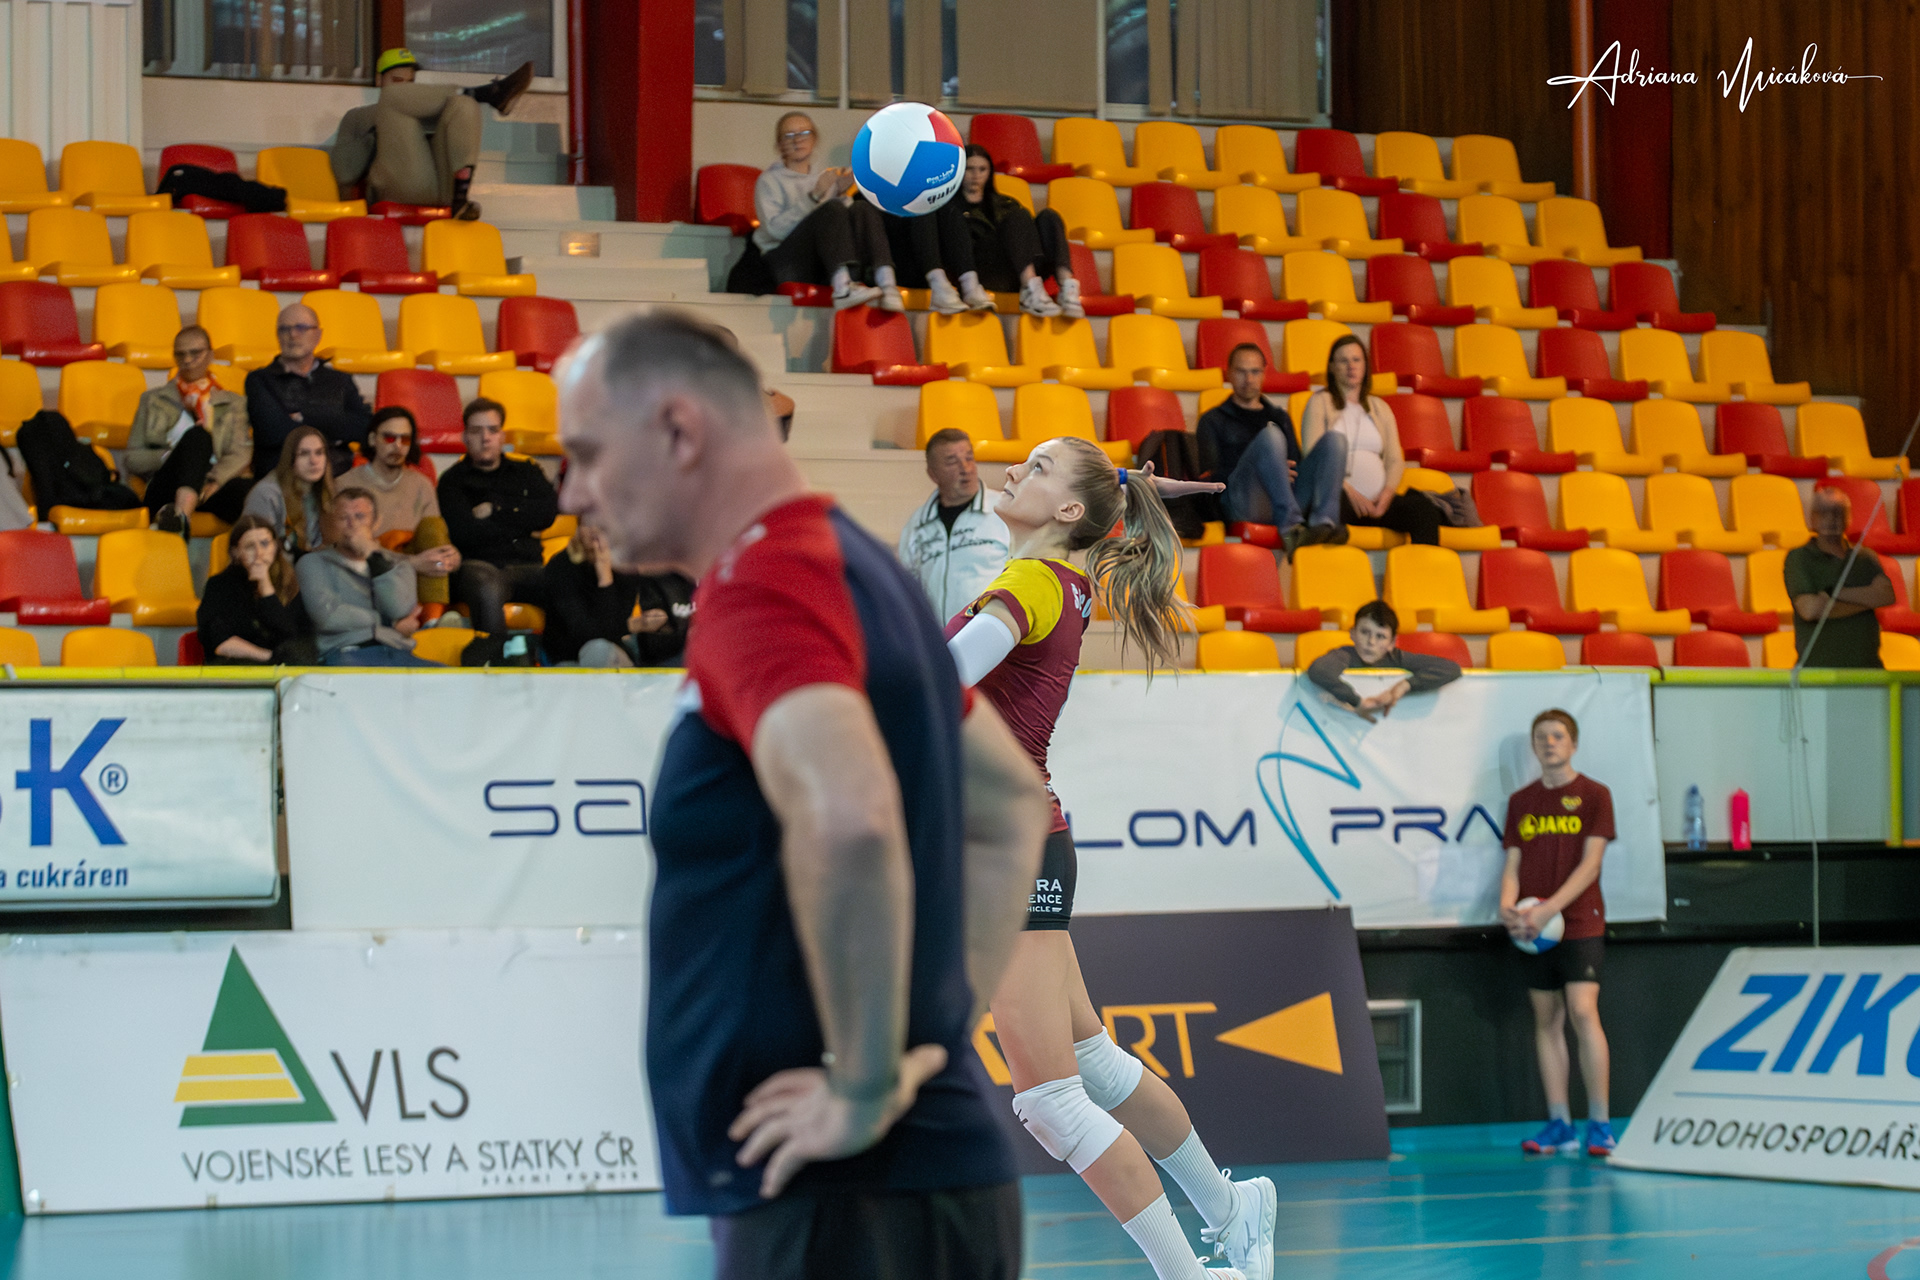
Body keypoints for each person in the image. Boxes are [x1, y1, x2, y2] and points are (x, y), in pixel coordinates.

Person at [557, 310, 1053, 1280]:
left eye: (585, 453)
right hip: (919, 1180)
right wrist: (928, 1039)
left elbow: (850, 817)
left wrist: (865, 1084)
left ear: (678, 430)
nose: (572, 489)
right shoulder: (857, 566)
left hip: (840, 1203)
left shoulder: (765, 582)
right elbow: (1006, 805)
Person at [944, 440, 1269, 1280]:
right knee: (1089, 1063)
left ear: (1066, 511)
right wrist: (1123, 483)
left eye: (1037, 467)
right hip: (1023, 843)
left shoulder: (1031, 583)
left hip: (1011, 852)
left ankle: (1190, 1275)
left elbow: (935, 682)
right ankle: (1233, 1210)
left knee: (1053, 1104)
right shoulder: (1062, 581)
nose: (1012, 471)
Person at [1500, 709, 1616, 1159]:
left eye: (1558, 736)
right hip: (1533, 930)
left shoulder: (1594, 795)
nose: (1549, 743)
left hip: (1580, 921)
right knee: (1546, 1020)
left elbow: (1592, 864)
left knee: (1583, 1013)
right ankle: (1559, 1124)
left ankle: (1600, 1125)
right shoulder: (1521, 801)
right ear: (1533, 746)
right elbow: (1512, 863)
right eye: (1541, 737)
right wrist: (1508, 907)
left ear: (1573, 744)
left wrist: (1550, 908)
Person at [330, 47, 534, 220]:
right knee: (392, 97)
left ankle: (460, 198)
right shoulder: (357, 117)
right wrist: (376, 136)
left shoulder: (427, 106)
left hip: (439, 188)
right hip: (393, 188)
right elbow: (343, 172)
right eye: (397, 80)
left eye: (410, 83)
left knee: (463, 104)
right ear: (378, 80)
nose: (405, 88)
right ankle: (487, 94)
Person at [884, 146, 1081, 318]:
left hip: (1015, 266)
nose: (976, 175)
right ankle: (1030, 288)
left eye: (982, 169)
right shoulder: (947, 208)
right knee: (1018, 216)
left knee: (1047, 216)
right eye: (969, 169)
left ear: (990, 172)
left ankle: (1067, 288)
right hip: (978, 268)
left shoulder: (1006, 204)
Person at [1198, 342, 1348, 556]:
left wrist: (1277, 471)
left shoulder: (1280, 417)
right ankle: (1291, 527)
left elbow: (1296, 465)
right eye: (1241, 372)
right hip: (1243, 500)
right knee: (1271, 436)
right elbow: (1211, 478)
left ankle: (1325, 523)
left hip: (1284, 496)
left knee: (1335, 441)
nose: (1248, 379)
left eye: (1254, 372)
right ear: (1229, 373)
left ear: (1264, 374)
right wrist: (1267, 468)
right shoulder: (1212, 420)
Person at [1299, 335, 1442, 546]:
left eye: (1356, 360)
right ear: (1332, 367)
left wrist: (1386, 496)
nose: (1351, 366)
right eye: (1343, 361)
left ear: (1365, 366)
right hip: (1340, 500)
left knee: (1423, 509)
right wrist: (1350, 493)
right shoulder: (1319, 402)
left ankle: (1422, 568)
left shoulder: (1380, 407)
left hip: (1377, 504)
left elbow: (1395, 459)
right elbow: (1313, 456)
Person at [755, 111, 900, 311]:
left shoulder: (824, 176)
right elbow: (775, 231)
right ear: (780, 144)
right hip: (785, 263)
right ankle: (842, 288)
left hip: (823, 261)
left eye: (804, 133)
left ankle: (888, 284)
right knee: (831, 209)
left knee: (861, 207)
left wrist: (843, 192)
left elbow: (839, 225)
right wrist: (814, 197)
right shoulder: (769, 180)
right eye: (789, 136)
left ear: (814, 139)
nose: (797, 140)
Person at [439, 397, 558, 637]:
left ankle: (568, 658)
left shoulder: (527, 471)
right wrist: (524, 523)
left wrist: (496, 511)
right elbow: (466, 534)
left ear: (502, 436)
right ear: (465, 437)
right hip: (478, 568)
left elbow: (548, 514)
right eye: (476, 431)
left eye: (492, 430)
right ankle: (496, 657)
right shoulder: (452, 481)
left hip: (528, 567)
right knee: (486, 582)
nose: (485, 438)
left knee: (569, 577)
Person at [125, 325, 254, 534]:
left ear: (210, 355)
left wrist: (215, 480)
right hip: (166, 487)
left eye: (195, 353)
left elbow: (240, 452)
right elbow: (132, 458)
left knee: (249, 491)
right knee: (198, 437)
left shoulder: (233, 403)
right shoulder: (153, 400)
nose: (187, 360)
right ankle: (180, 519)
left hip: (209, 486)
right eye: (180, 354)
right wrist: (171, 456)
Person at [295, 488, 441, 667]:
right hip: (344, 652)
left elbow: (399, 609)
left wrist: (372, 555)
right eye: (343, 518)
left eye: (360, 517)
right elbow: (328, 616)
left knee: (450, 678)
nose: (352, 524)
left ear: (376, 522)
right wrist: (389, 623)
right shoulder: (313, 562)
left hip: (398, 650)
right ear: (333, 523)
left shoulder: (399, 564)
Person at [335, 406, 460, 607]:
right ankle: (430, 618)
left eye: (405, 439)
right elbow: (350, 551)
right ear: (372, 439)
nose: (398, 446)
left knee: (433, 528)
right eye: (389, 438)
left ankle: (432, 618)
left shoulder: (422, 485)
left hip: (415, 575)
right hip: (366, 573)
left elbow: (434, 542)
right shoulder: (345, 486)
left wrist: (451, 557)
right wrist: (412, 563)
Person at [244, 303, 372, 479]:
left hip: (338, 477)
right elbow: (273, 432)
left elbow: (363, 427)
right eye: (284, 329)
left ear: (318, 335)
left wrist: (303, 417)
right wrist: (335, 431)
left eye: (301, 328)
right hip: (282, 478)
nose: (293, 335)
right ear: (277, 335)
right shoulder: (259, 379)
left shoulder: (340, 380)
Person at [540, 524, 693, 667]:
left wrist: (605, 574)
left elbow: (614, 627)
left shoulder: (626, 569)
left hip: (611, 653)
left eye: (604, 528)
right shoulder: (561, 567)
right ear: (580, 528)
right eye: (591, 524)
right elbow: (586, 633)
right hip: (567, 660)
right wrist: (605, 577)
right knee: (597, 650)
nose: (597, 534)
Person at [897, 429, 1010, 620]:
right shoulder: (917, 525)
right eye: (952, 462)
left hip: (993, 633)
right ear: (933, 474)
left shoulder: (1005, 510)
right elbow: (906, 589)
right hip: (936, 636)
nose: (966, 468)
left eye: (969, 458)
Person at [1784, 486, 1894, 669]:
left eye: (1838, 513)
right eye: (1823, 513)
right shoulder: (1799, 558)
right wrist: (1866, 601)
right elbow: (1810, 610)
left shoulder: (1865, 557)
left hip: (1868, 671)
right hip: (1818, 672)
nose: (1831, 519)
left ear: (1848, 518)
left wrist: (1833, 593)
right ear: (1812, 518)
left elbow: (1886, 596)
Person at [1306, 600, 1461, 721]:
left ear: (1392, 643)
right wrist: (1358, 702)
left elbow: (1451, 669)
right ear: (1352, 633)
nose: (1371, 642)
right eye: (1364, 632)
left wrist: (1404, 686)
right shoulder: (1345, 655)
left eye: (1380, 636)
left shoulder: (1397, 657)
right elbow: (1319, 671)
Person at [196, 513, 313, 665]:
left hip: (286, 666)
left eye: (265, 544)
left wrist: (265, 587)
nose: (259, 553)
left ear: (275, 546)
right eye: (250, 547)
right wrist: (270, 657)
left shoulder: (294, 582)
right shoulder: (219, 586)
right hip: (237, 666)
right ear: (236, 552)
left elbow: (293, 637)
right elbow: (221, 643)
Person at [242, 426, 334, 558]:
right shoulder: (266, 495)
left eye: (319, 452)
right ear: (290, 459)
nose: (314, 461)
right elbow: (259, 553)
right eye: (304, 454)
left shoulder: (323, 491)